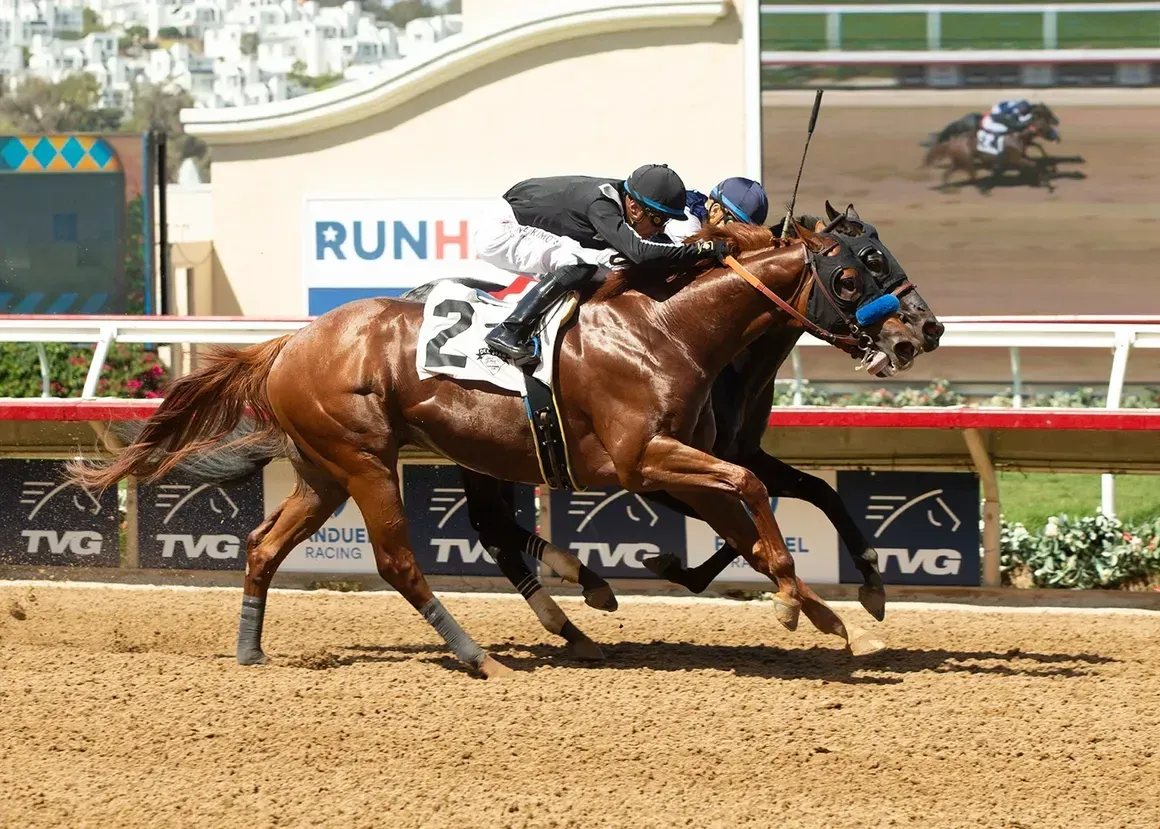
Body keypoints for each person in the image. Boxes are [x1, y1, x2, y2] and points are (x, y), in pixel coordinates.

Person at [475, 164, 732, 366]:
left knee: (610, 266)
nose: (660, 229)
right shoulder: (602, 205)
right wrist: (701, 250)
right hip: (501, 229)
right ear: (634, 206)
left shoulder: (620, 200)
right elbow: (641, 253)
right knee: (578, 262)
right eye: (657, 220)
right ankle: (509, 331)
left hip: (521, 216)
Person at [660, 177, 770, 244]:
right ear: (715, 212)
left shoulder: (704, 211)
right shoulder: (685, 220)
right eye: (735, 226)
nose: (737, 236)